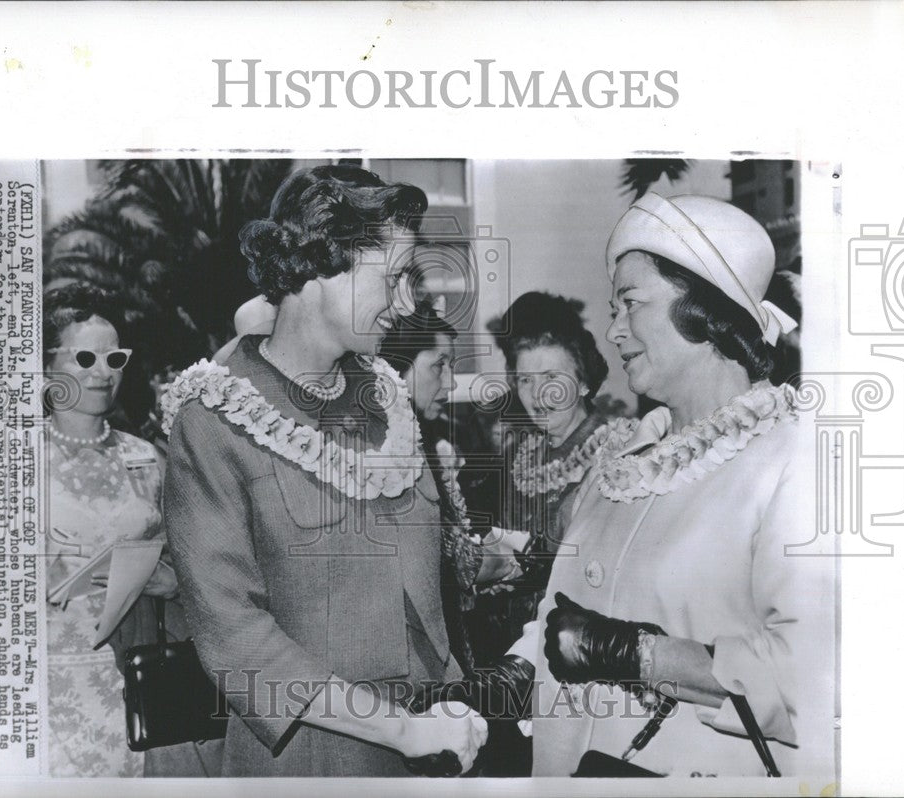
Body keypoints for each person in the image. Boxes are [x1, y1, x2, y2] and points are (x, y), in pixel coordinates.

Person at [161, 165, 487, 777]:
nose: (407, 302)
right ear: (321, 263)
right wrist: (399, 728)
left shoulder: (389, 399)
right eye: (393, 278)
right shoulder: (214, 419)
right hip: (309, 757)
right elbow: (233, 635)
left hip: (429, 745)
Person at [505, 193, 834, 777]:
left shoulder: (795, 459)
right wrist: (502, 680)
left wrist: (644, 655)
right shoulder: (624, 457)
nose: (614, 330)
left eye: (630, 303)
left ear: (704, 312)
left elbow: (817, 677)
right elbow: (567, 623)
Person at [43, 285, 219, 777]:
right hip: (48, 684)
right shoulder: (12, 460)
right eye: (84, 357)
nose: (103, 372)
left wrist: (172, 581)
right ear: (44, 367)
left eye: (114, 357)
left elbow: (195, 562)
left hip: (138, 680)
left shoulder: (146, 456)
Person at [378, 300, 524, 678]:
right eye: (438, 365)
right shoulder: (384, 452)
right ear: (397, 368)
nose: (449, 382)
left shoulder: (417, 440)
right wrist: (501, 562)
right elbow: (434, 562)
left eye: (452, 366)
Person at [485, 292, 616, 652]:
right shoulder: (518, 455)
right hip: (512, 643)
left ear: (585, 381)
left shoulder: (618, 453)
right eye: (525, 380)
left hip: (582, 646)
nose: (538, 394)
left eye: (551, 377)